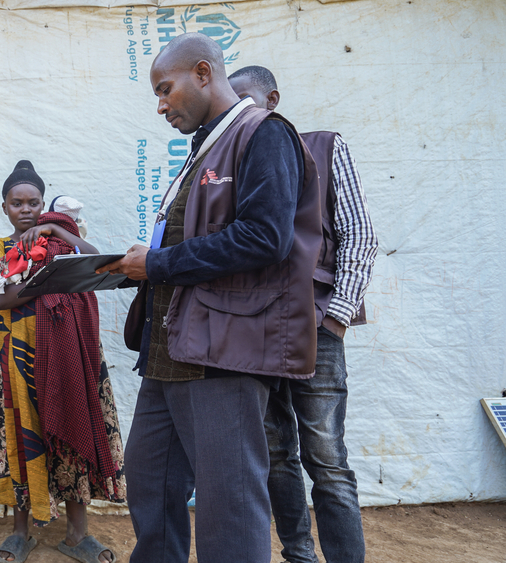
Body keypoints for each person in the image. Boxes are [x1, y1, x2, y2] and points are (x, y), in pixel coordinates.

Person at [98, 33, 321, 562]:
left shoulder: (263, 133)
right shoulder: (208, 142)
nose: (160, 105)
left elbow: (265, 238)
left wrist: (157, 263)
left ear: (203, 73)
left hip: (221, 352)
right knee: (151, 483)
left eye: (164, 88)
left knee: (229, 504)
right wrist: (140, 262)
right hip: (170, 348)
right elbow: (191, 236)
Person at [230, 65, 378, 563]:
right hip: (257, 333)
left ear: (272, 98)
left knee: (327, 459)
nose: (237, 112)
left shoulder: (325, 146)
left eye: (246, 100)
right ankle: (299, 555)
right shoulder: (230, 158)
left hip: (317, 325)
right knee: (274, 455)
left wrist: (335, 316)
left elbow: (360, 235)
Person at [0, 161, 126, 563]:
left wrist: (59, 232)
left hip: (69, 353)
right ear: (4, 207)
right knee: (24, 438)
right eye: (16, 203)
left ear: (43, 204)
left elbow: (99, 262)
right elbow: (0, 298)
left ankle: (77, 535)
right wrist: (54, 276)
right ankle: (21, 533)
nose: (25, 209)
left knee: (72, 437)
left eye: (34, 202)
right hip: (19, 359)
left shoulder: (59, 243)